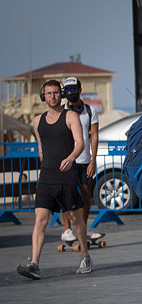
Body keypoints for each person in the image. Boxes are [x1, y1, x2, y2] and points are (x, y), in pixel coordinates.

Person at [17, 80, 91, 279]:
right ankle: (34, 264)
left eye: (56, 93)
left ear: (62, 95)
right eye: (48, 93)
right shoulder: (37, 120)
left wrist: (70, 158)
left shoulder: (71, 116)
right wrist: (45, 162)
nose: (52, 97)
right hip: (47, 177)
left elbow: (81, 143)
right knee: (40, 219)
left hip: (67, 176)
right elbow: (41, 146)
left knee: (76, 220)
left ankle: (85, 255)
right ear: (43, 96)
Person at [59, 77, 101, 244]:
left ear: (79, 89)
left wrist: (93, 160)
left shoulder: (90, 111)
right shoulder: (62, 112)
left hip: (84, 160)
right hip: (67, 160)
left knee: (85, 196)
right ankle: (67, 229)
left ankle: (83, 227)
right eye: (67, 90)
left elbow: (94, 136)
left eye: (73, 89)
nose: (70, 92)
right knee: (67, 196)